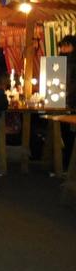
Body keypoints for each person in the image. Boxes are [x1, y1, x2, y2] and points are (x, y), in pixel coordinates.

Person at [58, 35, 76, 171]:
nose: (63, 48)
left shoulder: (70, 62)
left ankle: (67, 164)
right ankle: (66, 163)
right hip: (65, 102)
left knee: (69, 135)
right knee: (66, 134)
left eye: (66, 45)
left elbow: (71, 84)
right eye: (62, 45)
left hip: (70, 103)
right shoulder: (61, 61)